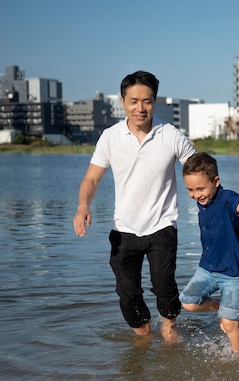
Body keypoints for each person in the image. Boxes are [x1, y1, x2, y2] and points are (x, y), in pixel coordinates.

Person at [73, 70, 196, 343]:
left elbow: (196, 167)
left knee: (164, 286)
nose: (140, 108)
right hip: (124, 229)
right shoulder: (110, 136)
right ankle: (143, 337)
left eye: (147, 101)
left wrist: (208, 197)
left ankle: (169, 326)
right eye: (134, 101)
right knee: (128, 294)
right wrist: (83, 205)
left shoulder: (170, 134)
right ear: (123, 101)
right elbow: (92, 178)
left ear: (155, 101)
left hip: (162, 226)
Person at [178, 152, 239, 352]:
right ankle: (219, 306)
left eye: (200, 189)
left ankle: (238, 355)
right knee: (188, 302)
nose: (196, 195)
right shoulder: (202, 202)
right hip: (207, 269)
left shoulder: (226, 199)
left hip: (233, 272)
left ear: (216, 181)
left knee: (230, 324)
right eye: (190, 190)